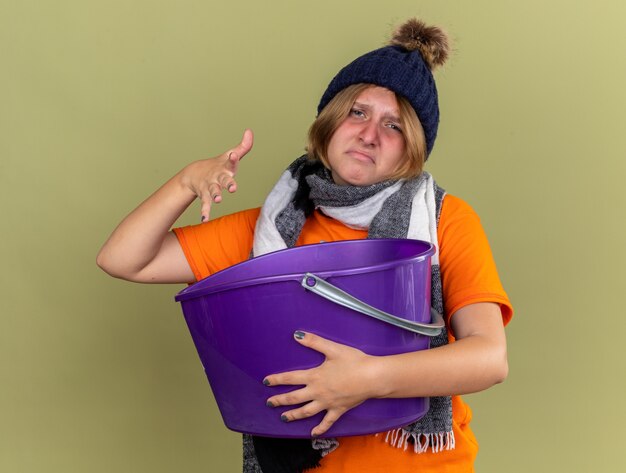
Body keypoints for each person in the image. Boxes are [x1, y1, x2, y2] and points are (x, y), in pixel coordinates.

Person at [97, 18, 512, 473]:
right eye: (358, 112)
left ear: (410, 150)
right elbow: (123, 259)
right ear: (329, 123)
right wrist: (185, 180)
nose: (370, 134)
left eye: (393, 125)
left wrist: (367, 379)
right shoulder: (270, 231)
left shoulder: (444, 222)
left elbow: (489, 357)